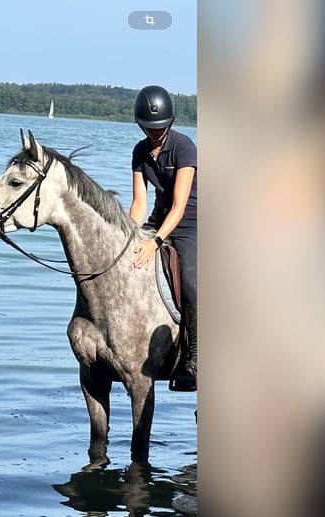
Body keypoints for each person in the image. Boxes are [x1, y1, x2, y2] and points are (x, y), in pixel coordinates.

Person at [129, 85, 197, 392]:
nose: (155, 133)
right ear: (141, 125)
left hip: (191, 223)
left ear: (169, 123)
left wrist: (155, 241)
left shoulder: (184, 147)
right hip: (158, 219)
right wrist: (130, 237)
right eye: (149, 128)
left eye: (160, 128)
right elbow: (139, 204)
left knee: (192, 286)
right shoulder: (140, 151)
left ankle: (193, 361)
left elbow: (180, 206)